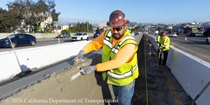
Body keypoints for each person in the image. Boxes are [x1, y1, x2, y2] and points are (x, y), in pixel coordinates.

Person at [74, 10, 139, 105]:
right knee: (117, 99)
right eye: (113, 28)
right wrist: (82, 51)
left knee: (124, 103)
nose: (115, 31)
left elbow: (117, 62)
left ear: (125, 26)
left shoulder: (129, 43)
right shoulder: (107, 34)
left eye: (118, 28)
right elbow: (95, 43)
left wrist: (95, 67)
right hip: (114, 79)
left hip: (126, 81)